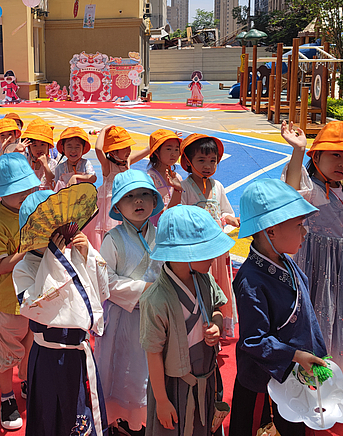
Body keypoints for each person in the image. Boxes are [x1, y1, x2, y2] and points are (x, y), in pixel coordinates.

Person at [281, 120, 343, 413]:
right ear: (317, 155)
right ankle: (309, 393)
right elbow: (290, 193)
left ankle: (339, 390)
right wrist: (298, 151)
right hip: (313, 270)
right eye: (335, 155)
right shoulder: (310, 189)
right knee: (313, 329)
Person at [229, 179, 328, 436]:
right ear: (271, 231)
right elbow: (253, 341)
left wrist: (316, 353)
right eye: (298, 225)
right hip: (264, 383)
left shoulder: (285, 261)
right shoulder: (251, 281)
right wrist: (295, 355)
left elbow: (306, 315)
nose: (304, 233)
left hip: (293, 373)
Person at [13, 190, 111, 436]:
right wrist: (54, 261)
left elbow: (99, 293)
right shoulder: (23, 268)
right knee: (51, 416)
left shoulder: (71, 254)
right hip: (49, 356)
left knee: (83, 410)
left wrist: (86, 256)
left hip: (78, 353)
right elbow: (37, 308)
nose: (55, 236)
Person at [139, 205, 235, 436]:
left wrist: (216, 324)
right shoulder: (156, 299)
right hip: (172, 386)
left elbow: (217, 309)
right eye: (207, 251)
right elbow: (153, 353)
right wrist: (162, 400)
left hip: (206, 378)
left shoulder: (205, 280)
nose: (214, 257)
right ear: (185, 254)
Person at [95, 170, 164, 435]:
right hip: (124, 319)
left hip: (156, 317)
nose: (138, 201)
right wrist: (145, 289)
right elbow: (106, 282)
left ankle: (144, 418)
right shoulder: (112, 239)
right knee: (123, 368)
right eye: (130, 196)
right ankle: (122, 420)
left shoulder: (161, 236)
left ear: (154, 201)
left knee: (148, 370)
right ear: (117, 206)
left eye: (145, 194)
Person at [0, 153, 41, 430]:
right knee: (7, 351)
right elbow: (1, 266)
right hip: (10, 300)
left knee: (32, 344)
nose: (24, 194)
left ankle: (27, 381)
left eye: (28, 188)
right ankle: (7, 396)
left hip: (36, 295)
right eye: (16, 190)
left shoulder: (34, 212)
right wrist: (28, 247)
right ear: (1, 194)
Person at [180, 134, 239, 338]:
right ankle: (200, 327)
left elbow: (224, 211)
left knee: (219, 286)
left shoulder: (218, 186)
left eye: (213, 161)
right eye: (201, 160)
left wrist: (229, 219)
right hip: (198, 251)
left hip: (218, 251)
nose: (208, 166)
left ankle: (217, 327)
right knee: (201, 287)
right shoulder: (184, 188)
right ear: (188, 162)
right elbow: (182, 217)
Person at [92, 125, 149, 250]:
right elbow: (98, 149)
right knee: (110, 234)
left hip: (126, 204)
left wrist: (164, 140)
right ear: (113, 152)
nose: (128, 150)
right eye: (124, 148)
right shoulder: (107, 165)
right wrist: (104, 131)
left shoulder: (127, 162)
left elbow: (147, 150)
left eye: (128, 147)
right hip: (110, 209)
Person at [146, 129, 184, 226]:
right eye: (168, 149)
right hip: (157, 226)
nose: (174, 154)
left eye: (176, 149)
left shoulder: (177, 177)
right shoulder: (150, 178)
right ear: (156, 152)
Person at [19, 119, 55, 190]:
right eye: (34, 145)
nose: (39, 149)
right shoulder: (25, 161)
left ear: (48, 146)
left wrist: (45, 165)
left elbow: (53, 182)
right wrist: (16, 150)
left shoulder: (52, 163)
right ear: (29, 147)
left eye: (42, 144)